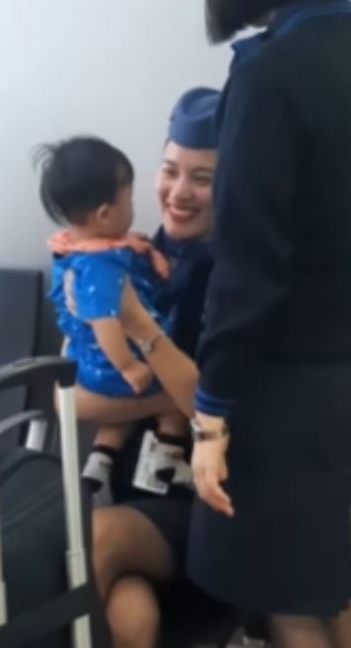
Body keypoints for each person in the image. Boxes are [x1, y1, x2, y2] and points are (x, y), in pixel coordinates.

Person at [116, 0, 351, 647]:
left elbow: (249, 269)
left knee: (286, 604)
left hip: (278, 388)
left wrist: (213, 418)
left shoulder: (273, 74)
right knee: (324, 584)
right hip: (349, 378)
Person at [89, 87, 223, 648]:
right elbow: (72, 399)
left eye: (203, 178)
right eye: (170, 171)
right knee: (131, 619)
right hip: (127, 493)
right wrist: (171, 397)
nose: (179, 192)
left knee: (91, 542)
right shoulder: (124, 259)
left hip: (207, 511)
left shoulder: (242, 282)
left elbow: (219, 409)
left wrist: (177, 395)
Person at [37, 136, 191, 506]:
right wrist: (128, 365)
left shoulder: (73, 250)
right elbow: (106, 319)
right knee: (172, 402)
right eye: (130, 198)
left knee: (118, 413)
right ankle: (168, 458)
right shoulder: (102, 267)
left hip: (87, 363)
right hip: (115, 363)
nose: (134, 206)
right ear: (105, 214)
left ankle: (100, 462)